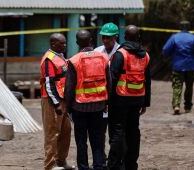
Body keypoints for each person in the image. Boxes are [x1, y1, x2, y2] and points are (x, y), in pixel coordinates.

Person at [65, 30, 111, 170]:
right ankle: (99, 165)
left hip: (79, 108)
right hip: (98, 106)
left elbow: (69, 87)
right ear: (91, 41)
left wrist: (68, 107)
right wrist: (106, 102)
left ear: (77, 43)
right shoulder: (103, 58)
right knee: (98, 140)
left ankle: (83, 167)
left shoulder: (73, 60)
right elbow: (109, 82)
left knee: (81, 141)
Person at [107, 25, 151, 170]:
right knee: (133, 131)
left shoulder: (121, 54)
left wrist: (108, 100)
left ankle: (114, 165)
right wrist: (145, 103)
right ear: (138, 37)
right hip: (138, 98)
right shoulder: (145, 55)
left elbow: (112, 79)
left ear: (124, 37)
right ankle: (131, 164)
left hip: (120, 98)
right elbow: (147, 80)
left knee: (117, 132)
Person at [40, 33, 74, 170]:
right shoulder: (48, 59)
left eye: (65, 43)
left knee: (66, 130)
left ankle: (61, 161)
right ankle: (50, 165)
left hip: (62, 100)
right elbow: (49, 83)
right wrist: (56, 103)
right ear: (53, 44)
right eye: (62, 43)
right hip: (52, 101)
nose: (65, 46)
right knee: (52, 133)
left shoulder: (60, 56)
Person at [162, 20, 194, 114]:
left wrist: (171, 54)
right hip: (190, 67)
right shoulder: (193, 38)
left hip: (177, 66)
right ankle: (187, 107)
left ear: (180, 27)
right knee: (189, 87)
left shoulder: (174, 37)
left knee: (177, 87)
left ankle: (176, 106)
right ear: (189, 27)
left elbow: (165, 50)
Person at [94, 22, 120, 162]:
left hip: (117, 99)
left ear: (115, 37)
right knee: (99, 132)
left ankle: (114, 159)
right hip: (101, 99)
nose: (105, 40)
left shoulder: (122, 52)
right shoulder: (97, 52)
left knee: (116, 133)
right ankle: (101, 159)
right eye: (103, 37)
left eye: (108, 38)